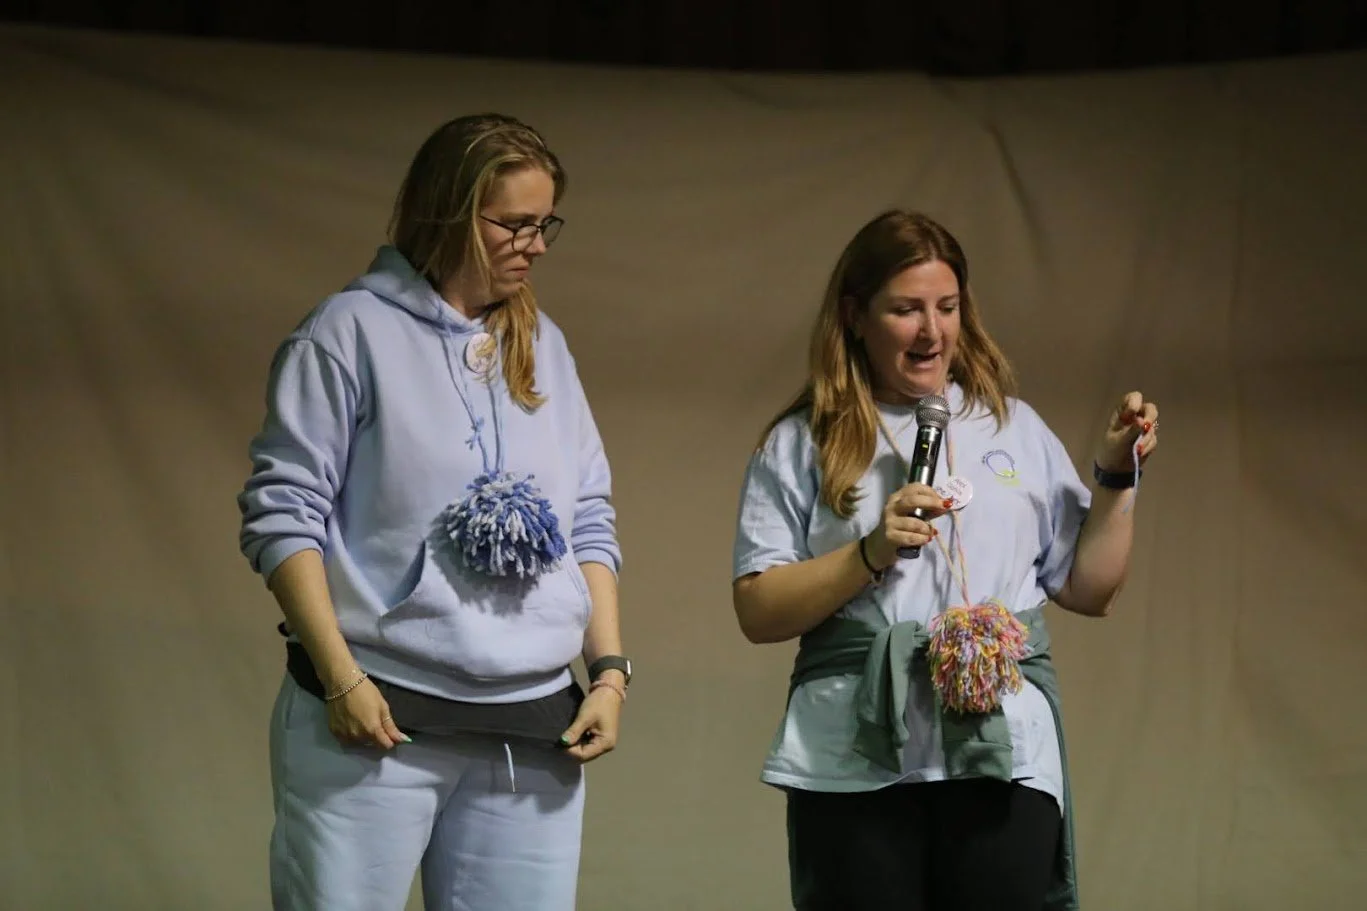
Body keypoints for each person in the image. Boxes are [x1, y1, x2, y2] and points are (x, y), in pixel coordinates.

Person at [237, 113, 632, 911]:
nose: (538, 243)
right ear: (449, 212)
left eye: (545, 222)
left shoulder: (544, 345)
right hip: (377, 716)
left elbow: (589, 516)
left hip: (531, 728)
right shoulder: (346, 334)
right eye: (515, 223)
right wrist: (342, 678)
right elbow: (284, 515)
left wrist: (610, 674)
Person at [730, 209, 1159, 911]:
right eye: (905, 309)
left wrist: (1114, 477)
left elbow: (1090, 587)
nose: (931, 331)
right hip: (853, 754)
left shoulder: (1011, 426)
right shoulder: (802, 440)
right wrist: (866, 553)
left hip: (1000, 752)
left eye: (946, 306)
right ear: (854, 315)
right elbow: (757, 608)